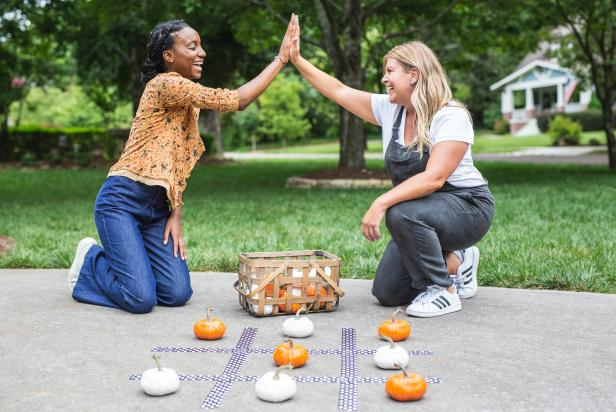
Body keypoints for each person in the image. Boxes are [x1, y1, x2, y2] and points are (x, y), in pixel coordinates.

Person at [67, 16, 297, 314]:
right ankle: (89, 262)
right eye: (192, 46)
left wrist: (175, 212)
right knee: (141, 300)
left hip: (157, 210)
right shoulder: (165, 84)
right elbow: (236, 100)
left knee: (177, 294)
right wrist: (281, 59)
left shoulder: (189, 101)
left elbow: (176, 165)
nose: (201, 52)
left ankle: (134, 266)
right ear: (169, 56)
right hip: (121, 201)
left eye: (201, 46)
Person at [289, 16, 494, 317]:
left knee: (400, 212)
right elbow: (338, 90)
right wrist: (296, 59)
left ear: (414, 74)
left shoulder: (451, 116)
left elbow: (435, 178)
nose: (384, 79)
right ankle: (457, 261)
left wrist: (380, 202)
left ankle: (443, 290)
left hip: (468, 207)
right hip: (422, 212)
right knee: (387, 292)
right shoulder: (390, 109)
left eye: (390, 71)